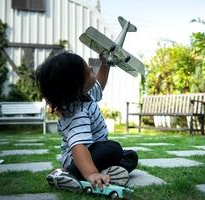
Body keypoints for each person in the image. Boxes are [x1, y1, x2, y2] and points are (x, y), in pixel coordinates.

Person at [35, 51, 138, 191]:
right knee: (113, 148)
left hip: (92, 152)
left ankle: (107, 174)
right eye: (87, 71)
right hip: (78, 157)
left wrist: (105, 64)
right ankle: (70, 172)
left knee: (131, 156)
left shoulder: (85, 94)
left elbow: (99, 85)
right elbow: (78, 146)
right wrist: (91, 173)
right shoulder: (77, 114)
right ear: (76, 85)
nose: (90, 68)